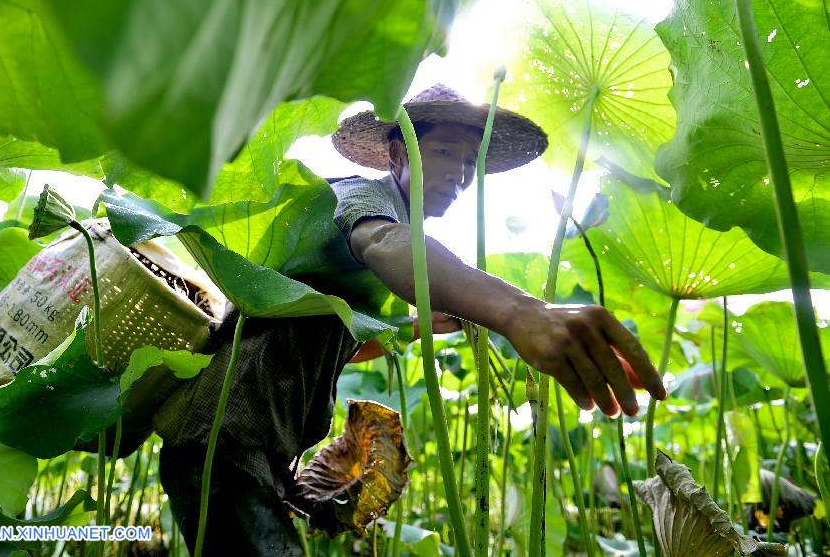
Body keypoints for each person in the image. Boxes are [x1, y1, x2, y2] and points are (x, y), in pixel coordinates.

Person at [154, 84, 667, 555]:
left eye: (470, 162)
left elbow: (337, 335)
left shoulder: (387, 238)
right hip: (221, 434)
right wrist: (520, 312)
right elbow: (381, 241)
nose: (462, 174)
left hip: (265, 446)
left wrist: (410, 330)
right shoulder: (364, 196)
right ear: (400, 154)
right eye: (446, 153)